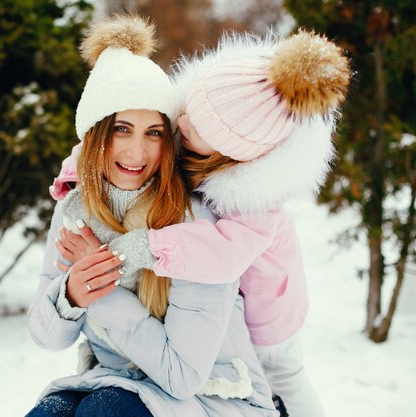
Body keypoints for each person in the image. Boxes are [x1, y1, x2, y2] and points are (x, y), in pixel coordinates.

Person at [55, 30, 351, 417]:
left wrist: (147, 246)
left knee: (284, 375)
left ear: (230, 154)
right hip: (224, 303)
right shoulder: (187, 128)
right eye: (189, 110)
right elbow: (106, 145)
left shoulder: (257, 205)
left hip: (268, 304)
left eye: (198, 128)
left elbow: (220, 251)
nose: (182, 123)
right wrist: (77, 172)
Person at [26, 14, 279, 417]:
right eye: (121, 129)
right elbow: (46, 337)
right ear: (95, 135)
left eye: (154, 133)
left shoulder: (194, 224)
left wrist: (102, 286)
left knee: (105, 411)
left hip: (217, 397)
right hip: (116, 382)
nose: (137, 153)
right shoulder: (75, 208)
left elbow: (181, 376)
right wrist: (72, 292)